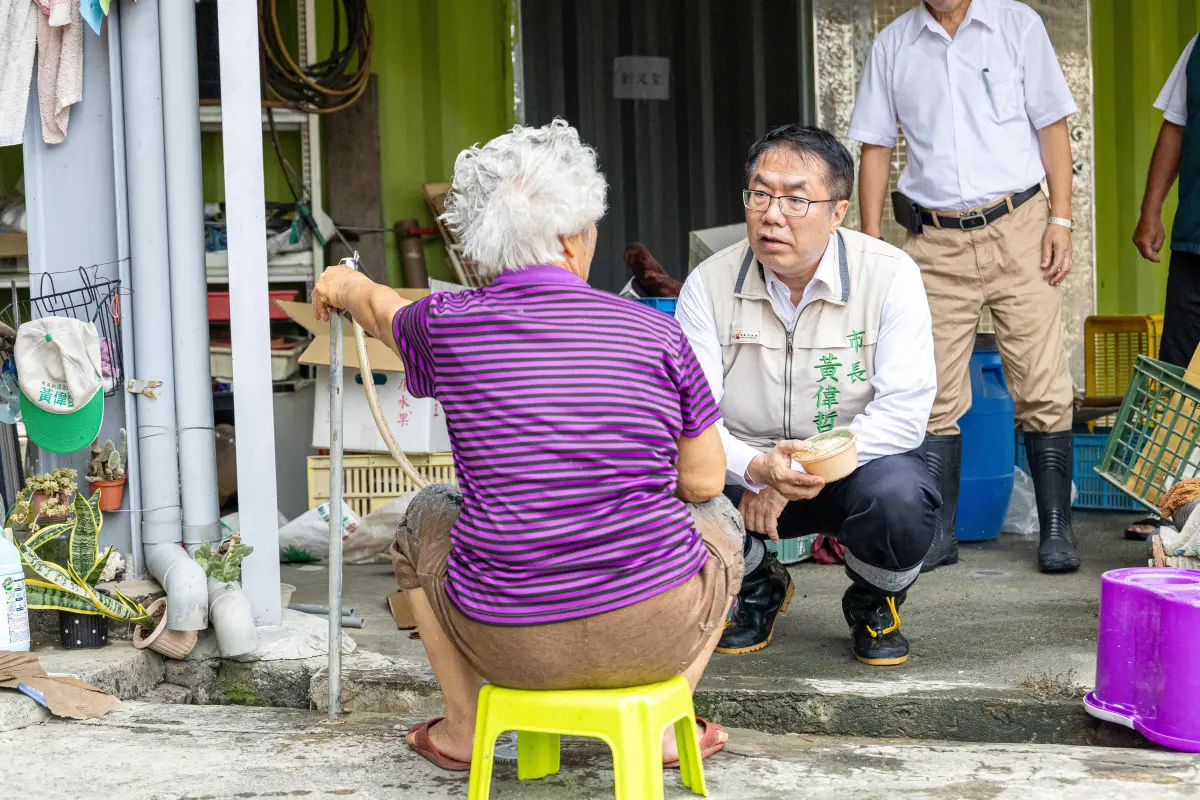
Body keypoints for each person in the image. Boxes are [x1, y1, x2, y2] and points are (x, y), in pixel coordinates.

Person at [310, 120, 744, 771]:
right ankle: (664, 722)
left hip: (506, 642)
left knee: (425, 513)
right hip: (654, 631)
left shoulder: (448, 325)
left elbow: (378, 310)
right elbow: (706, 482)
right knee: (725, 523)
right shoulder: (656, 333)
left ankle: (463, 728)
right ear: (573, 239)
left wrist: (341, 284)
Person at [676, 124, 939, 666]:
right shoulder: (707, 284)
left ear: (838, 212)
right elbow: (692, 418)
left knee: (904, 498)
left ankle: (874, 598)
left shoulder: (891, 276)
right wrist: (756, 469)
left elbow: (904, 412)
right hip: (743, 476)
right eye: (760, 194)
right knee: (661, 487)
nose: (772, 214)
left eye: (796, 199)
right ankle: (755, 582)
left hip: (852, 472)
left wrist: (796, 468)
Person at [849, 0, 1080, 575]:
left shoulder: (1017, 24)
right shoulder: (894, 45)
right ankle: (938, 533)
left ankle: (1056, 529)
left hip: (1020, 226)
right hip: (934, 239)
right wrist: (873, 244)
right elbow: (874, 148)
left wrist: (1062, 220)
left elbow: (1052, 126)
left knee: (1041, 378)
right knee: (928, 388)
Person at [1135, 34, 1200, 367]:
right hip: (1195, 244)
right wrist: (1151, 210)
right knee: (1180, 375)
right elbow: (1176, 126)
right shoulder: (1198, 46)